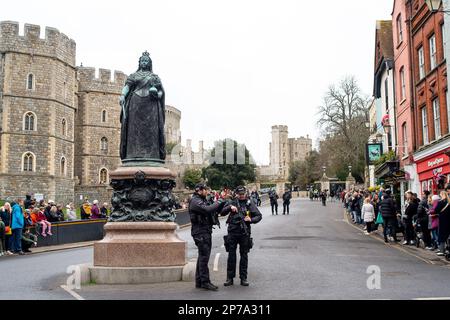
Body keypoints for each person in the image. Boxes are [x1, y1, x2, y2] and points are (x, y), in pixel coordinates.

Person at [119, 51, 166, 162]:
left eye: (146, 61)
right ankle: (132, 154)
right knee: (134, 131)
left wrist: (157, 95)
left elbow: (161, 92)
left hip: (151, 106)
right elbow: (127, 86)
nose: (144, 62)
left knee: (151, 131)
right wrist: (122, 95)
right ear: (139, 63)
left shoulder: (154, 77)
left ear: (149, 63)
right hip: (135, 104)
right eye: (142, 61)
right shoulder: (134, 76)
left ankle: (152, 155)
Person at [221, 186, 262, 287]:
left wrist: (251, 220)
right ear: (236, 194)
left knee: (244, 255)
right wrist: (230, 207)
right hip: (233, 232)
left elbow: (259, 215)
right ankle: (230, 278)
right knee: (231, 255)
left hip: (244, 233)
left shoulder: (249, 202)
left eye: (243, 194)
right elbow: (222, 212)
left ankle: (243, 278)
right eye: (240, 194)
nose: (242, 196)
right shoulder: (232, 202)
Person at [189, 183, 226, 291]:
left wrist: (223, 203)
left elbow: (215, 210)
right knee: (204, 257)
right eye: (206, 190)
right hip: (200, 232)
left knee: (202, 256)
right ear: (199, 190)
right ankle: (205, 282)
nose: (208, 192)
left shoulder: (201, 199)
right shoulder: (195, 201)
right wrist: (219, 201)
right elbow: (207, 209)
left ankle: (199, 281)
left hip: (204, 230)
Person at [435, 191, 450, 256]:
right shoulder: (449, 202)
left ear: (441, 195)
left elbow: (436, 210)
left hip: (443, 221)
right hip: (449, 220)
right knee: (448, 235)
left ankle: (442, 250)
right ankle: (448, 249)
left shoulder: (441, 202)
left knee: (442, 235)